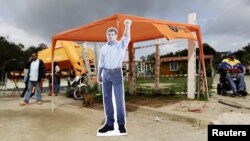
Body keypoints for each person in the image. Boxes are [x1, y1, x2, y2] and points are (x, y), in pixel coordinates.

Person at [97, 19, 131, 136]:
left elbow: (126, 37)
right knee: (106, 99)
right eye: (108, 34)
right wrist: (99, 75)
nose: (110, 36)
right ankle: (109, 124)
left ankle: (121, 124)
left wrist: (127, 25)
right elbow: (101, 63)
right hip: (105, 73)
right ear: (107, 36)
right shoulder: (104, 48)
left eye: (112, 34)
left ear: (116, 36)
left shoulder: (120, 46)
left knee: (119, 99)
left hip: (116, 73)